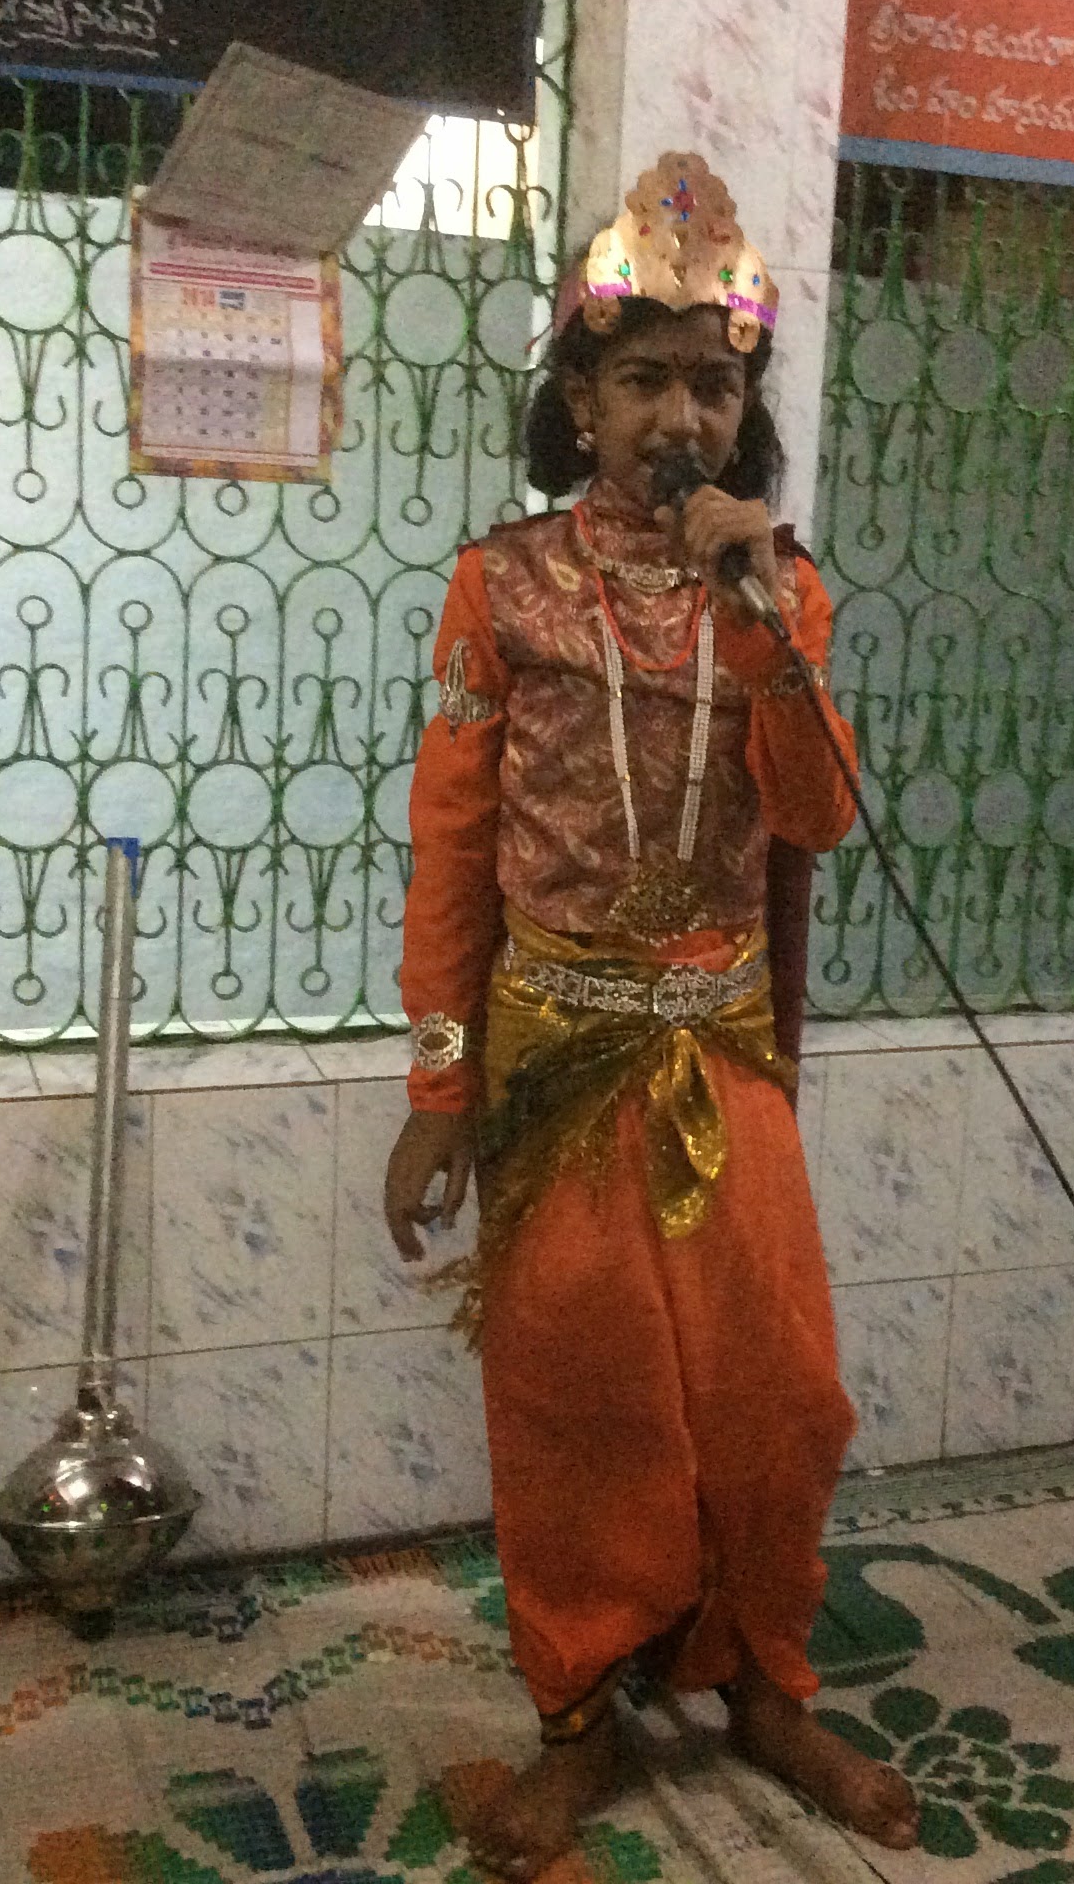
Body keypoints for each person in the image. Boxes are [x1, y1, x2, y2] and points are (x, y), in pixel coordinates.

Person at [380, 153, 921, 1880]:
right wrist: (439, 1087)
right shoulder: (502, 588)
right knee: (579, 1403)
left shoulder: (785, 592)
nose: (681, 415)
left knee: (780, 1396)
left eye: (714, 384)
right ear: (580, 402)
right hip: (553, 1064)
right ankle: (578, 1722)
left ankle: (764, 1686)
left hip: (723, 1054)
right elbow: (449, 853)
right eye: (643, 381)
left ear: (746, 412)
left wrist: (762, 627)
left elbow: (815, 820)